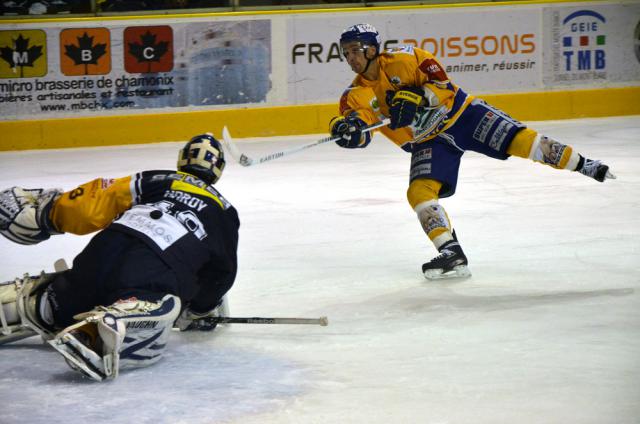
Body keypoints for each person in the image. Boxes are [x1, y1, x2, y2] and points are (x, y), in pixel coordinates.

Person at [329, 23, 615, 280]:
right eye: (346, 52)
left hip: (463, 115)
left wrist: (420, 97)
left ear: (372, 48)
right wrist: (347, 130)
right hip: (429, 140)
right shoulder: (354, 95)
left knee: (526, 143)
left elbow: (442, 85)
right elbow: (360, 128)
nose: (351, 57)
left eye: (356, 49)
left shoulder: (407, 58)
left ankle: (584, 164)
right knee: (418, 193)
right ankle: (451, 251)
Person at [0, 133, 239, 381]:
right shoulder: (224, 212)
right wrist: (199, 309)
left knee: (66, 295)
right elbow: (222, 273)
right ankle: (110, 325)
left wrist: (49, 214)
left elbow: (95, 201)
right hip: (150, 271)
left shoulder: (155, 179)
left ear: (181, 158)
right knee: (165, 302)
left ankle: (38, 304)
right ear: (219, 169)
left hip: (100, 255)